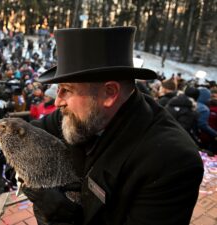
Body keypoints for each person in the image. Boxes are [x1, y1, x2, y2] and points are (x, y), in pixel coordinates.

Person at [23, 27, 204, 225]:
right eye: (58, 90)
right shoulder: (78, 113)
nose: (57, 102)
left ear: (109, 93)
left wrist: (67, 219)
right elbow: (28, 135)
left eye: (66, 90)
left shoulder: (172, 161)